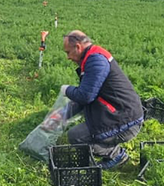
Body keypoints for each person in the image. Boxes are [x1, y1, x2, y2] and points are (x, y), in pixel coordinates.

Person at [60, 30, 143, 170]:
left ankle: (116, 155)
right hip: (117, 113)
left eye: (68, 52)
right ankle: (109, 147)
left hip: (125, 120)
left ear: (78, 47)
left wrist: (66, 89)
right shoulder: (92, 58)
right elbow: (85, 95)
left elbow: (85, 96)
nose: (68, 57)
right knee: (78, 133)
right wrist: (61, 116)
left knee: (76, 137)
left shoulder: (96, 61)